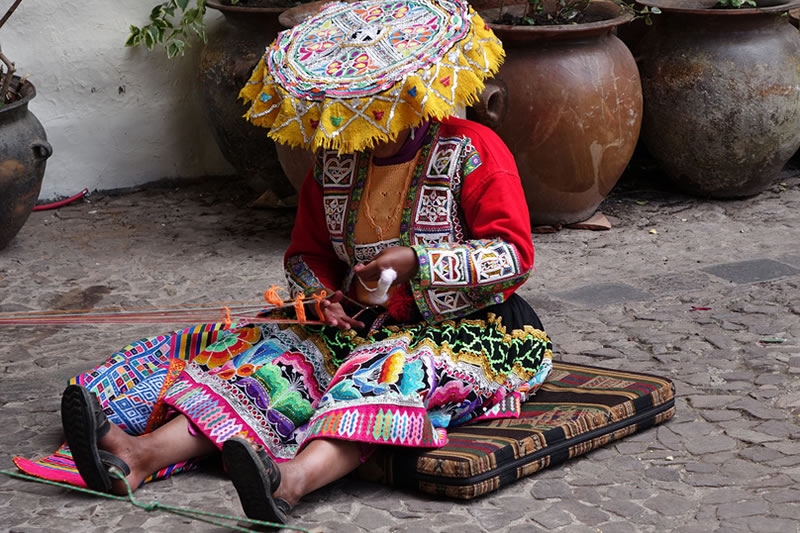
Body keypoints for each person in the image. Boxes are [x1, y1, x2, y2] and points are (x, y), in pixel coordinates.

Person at [59, 0, 553, 525]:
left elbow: (514, 255)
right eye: (357, 98)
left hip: (473, 329)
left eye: (381, 96)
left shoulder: (473, 150)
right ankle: (140, 456)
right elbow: (306, 254)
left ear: (414, 87)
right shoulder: (335, 164)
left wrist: (419, 260)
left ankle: (290, 482)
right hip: (363, 322)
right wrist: (319, 296)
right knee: (272, 370)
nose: (367, 109)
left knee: (384, 379)